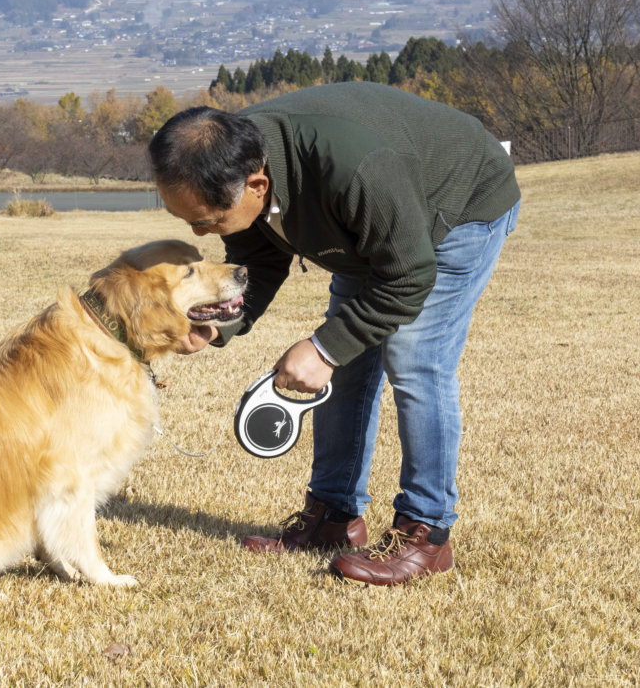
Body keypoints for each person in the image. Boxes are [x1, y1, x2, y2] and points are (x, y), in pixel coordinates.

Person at [148, 81, 520, 586]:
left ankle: (427, 534)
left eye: (208, 221)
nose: (199, 234)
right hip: (371, 225)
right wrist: (217, 327)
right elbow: (260, 256)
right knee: (344, 364)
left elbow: (409, 274)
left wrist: (324, 348)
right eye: (187, 220)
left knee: (415, 359)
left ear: (257, 186)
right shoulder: (238, 157)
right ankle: (334, 518)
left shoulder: (354, 169)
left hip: (456, 205)